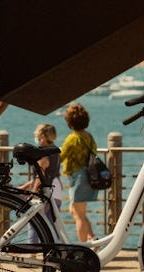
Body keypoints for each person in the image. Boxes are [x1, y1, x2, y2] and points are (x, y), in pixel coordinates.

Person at [59, 102, 98, 242]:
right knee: (75, 211)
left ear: (70, 122)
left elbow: (61, 156)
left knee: (79, 215)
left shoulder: (72, 138)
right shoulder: (89, 136)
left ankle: (84, 247)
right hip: (88, 176)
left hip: (78, 178)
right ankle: (93, 238)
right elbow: (94, 152)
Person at [18, 124, 63, 244]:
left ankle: (31, 249)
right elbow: (48, 174)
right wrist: (24, 187)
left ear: (42, 137)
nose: (37, 141)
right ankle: (56, 248)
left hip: (45, 189)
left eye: (37, 137)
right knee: (50, 223)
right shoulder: (54, 150)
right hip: (56, 188)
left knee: (33, 220)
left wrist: (33, 193)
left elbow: (39, 177)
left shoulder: (43, 154)